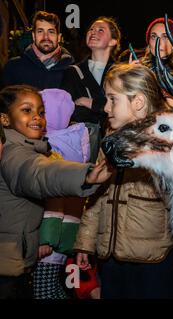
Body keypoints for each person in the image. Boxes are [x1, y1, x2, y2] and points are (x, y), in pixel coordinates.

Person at [74, 64, 173, 299]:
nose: (107, 108)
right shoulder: (110, 138)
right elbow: (97, 195)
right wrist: (85, 242)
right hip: (110, 255)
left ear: (138, 102)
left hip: (151, 259)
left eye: (113, 100)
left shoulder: (166, 140)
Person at [0, 85, 110, 299]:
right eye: (26, 110)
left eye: (41, 112)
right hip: (7, 264)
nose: (37, 118)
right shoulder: (14, 153)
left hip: (16, 259)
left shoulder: (26, 145)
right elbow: (38, 173)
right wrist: (85, 175)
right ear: (5, 119)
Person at [32, 88, 90, 299]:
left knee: (43, 292)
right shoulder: (77, 139)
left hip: (49, 236)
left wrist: (46, 239)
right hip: (68, 231)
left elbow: (52, 201)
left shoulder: (51, 148)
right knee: (55, 287)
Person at [61, 17, 121, 163]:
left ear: (113, 41)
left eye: (101, 30)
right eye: (91, 29)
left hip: (115, 144)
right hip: (83, 148)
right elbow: (69, 110)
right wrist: (104, 107)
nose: (93, 32)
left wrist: (90, 103)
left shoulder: (120, 72)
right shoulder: (73, 71)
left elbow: (123, 108)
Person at [2, 11, 74, 89]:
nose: (46, 37)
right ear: (33, 36)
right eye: (40, 31)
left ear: (59, 37)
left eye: (51, 32)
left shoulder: (72, 70)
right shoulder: (13, 67)